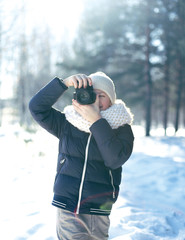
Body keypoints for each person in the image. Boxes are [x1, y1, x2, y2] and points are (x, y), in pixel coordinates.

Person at [29, 72, 134, 240]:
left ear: (111, 100)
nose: (97, 101)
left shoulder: (121, 127)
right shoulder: (67, 123)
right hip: (68, 206)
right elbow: (37, 108)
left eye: (102, 96)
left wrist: (97, 122)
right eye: (92, 95)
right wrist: (64, 83)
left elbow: (115, 159)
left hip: (98, 209)